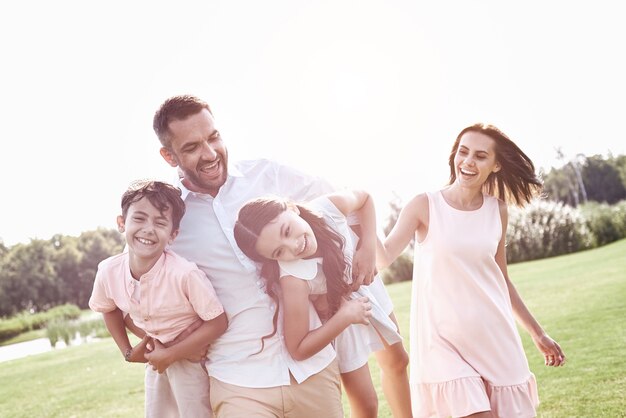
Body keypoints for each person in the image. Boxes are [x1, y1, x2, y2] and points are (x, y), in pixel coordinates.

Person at [152, 94, 410, 417]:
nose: (210, 153)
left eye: (214, 137)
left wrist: (369, 248)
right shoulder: (170, 216)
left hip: (319, 337)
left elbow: (340, 205)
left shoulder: (266, 175)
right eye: (191, 147)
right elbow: (139, 277)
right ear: (168, 155)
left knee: (387, 373)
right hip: (241, 372)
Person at [377, 123, 566, 418]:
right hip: (441, 343)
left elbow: (501, 278)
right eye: (463, 152)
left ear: (495, 165)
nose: (467, 161)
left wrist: (538, 334)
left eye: (480, 156)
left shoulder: (497, 210)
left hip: (494, 336)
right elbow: (384, 256)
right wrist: (361, 211)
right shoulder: (424, 205)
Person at [233, 191, 408, 418]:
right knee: (367, 404)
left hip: (366, 287)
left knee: (398, 361)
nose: (292, 246)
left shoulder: (327, 209)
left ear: (291, 208)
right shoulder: (293, 278)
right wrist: (344, 317)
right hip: (339, 317)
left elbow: (364, 199)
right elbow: (298, 348)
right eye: (279, 251)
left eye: (286, 231)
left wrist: (367, 248)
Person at [88, 180, 227, 418]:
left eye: (160, 222)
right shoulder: (108, 271)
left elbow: (218, 322)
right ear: (122, 223)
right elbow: (108, 308)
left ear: (173, 234)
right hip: (156, 361)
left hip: (192, 361)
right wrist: (128, 351)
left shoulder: (185, 274)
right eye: (139, 218)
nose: (148, 229)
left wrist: (174, 353)